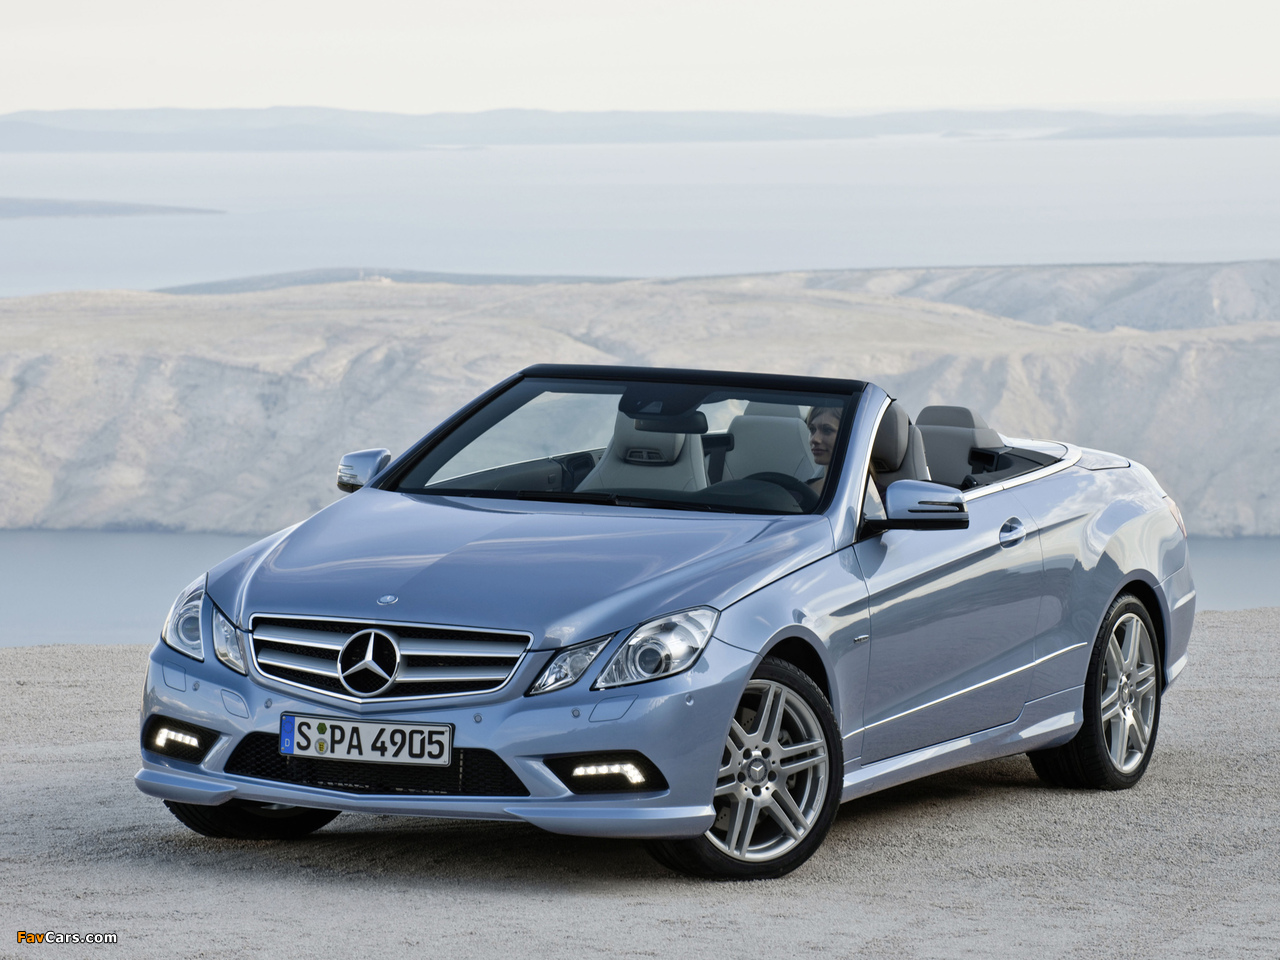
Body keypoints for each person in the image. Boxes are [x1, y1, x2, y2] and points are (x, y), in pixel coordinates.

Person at [806, 405, 842, 497]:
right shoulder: (801, 492)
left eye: (827, 430)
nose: (814, 439)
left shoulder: (873, 496)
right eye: (812, 430)